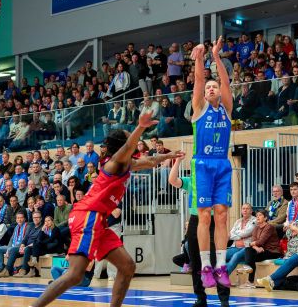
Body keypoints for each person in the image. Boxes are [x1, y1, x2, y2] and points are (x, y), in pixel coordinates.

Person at [29, 112, 181, 307]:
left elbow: (151, 161)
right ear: (123, 144)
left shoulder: (127, 164)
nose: (134, 139)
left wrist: (170, 155)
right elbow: (129, 146)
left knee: (127, 266)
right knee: (75, 274)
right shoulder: (114, 163)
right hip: (87, 215)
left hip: (98, 219)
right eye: (130, 136)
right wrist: (141, 126)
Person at [189, 37, 234, 289]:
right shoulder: (199, 107)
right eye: (209, 87)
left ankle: (221, 265)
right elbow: (198, 80)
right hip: (202, 165)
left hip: (222, 164)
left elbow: (226, 81)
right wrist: (199, 58)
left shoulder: (226, 109)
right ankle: (205, 266)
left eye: (214, 86)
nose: (212, 89)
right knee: (204, 216)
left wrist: (216, 56)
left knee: (222, 215)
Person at [168, 149, 230, 306]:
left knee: (217, 261)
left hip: (214, 222)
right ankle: (201, 298)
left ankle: (224, 299)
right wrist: (178, 161)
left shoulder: (217, 181)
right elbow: (173, 180)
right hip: (196, 221)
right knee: (195, 261)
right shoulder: (192, 181)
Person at [256, 206, 298, 292]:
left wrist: (295, 229)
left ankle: (269, 278)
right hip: (291, 252)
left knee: (292, 260)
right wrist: (295, 231)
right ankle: (274, 284)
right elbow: (288, 233)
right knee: (288, 263)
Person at [241, 210, 281, 288]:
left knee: (250, 255)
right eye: (257, 215)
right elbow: (254, 241)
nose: (257, 217)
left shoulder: (269, 227)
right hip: (261, 251)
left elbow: (260, 241)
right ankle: (250, 280)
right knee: (248, 251)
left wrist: (252, 244)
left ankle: (250, 279)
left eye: (260, 215)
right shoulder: (256, 228)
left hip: (272, 251)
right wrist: (256, 247)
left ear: (265, 218)